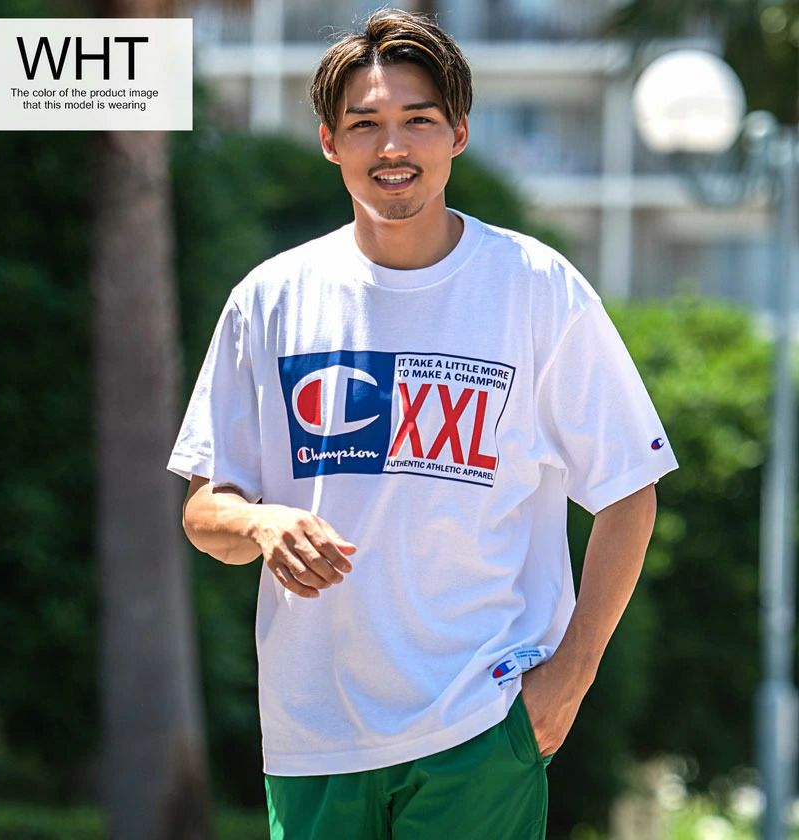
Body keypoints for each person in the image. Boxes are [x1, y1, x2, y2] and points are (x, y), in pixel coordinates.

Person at [167, 8, 678, 839]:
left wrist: (570, 678)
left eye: (418, 121)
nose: (392, 147)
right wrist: (261, 524)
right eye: (364, 124)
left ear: (459, 134)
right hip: (313, 737)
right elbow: (204, 512)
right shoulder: (270, 299)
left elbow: (630, 489)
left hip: (481, 726)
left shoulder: (536, 287)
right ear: (330, 142)